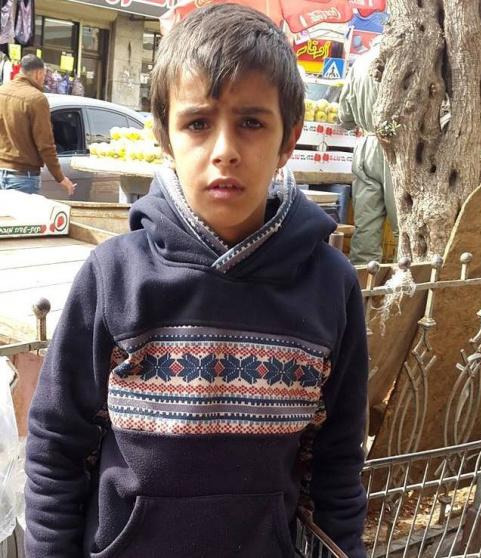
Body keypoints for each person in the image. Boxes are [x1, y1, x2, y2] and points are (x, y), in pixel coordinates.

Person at [24, 5, 368, 558]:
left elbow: (338, 463)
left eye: (251, 122)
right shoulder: (115, 276)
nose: (225, 150)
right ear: (165, 136)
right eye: (198, 123)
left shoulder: (330, 286)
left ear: (289, 139)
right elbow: (55, 446)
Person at [339, 37, 397, 264]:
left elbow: (345, 117)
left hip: (366, 147)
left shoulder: (360, 63)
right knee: (404, 225)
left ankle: (362, 282)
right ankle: (408, 280)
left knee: (366, 227)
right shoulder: (405, 57)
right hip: (398, 150)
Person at [0, 54, 75, 195]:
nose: (44, 80)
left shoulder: (2, 91)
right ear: (38, 73)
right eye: (44, 76)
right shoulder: (36, 99)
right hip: (23, 177)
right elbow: (45, 144)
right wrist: (60, 178)